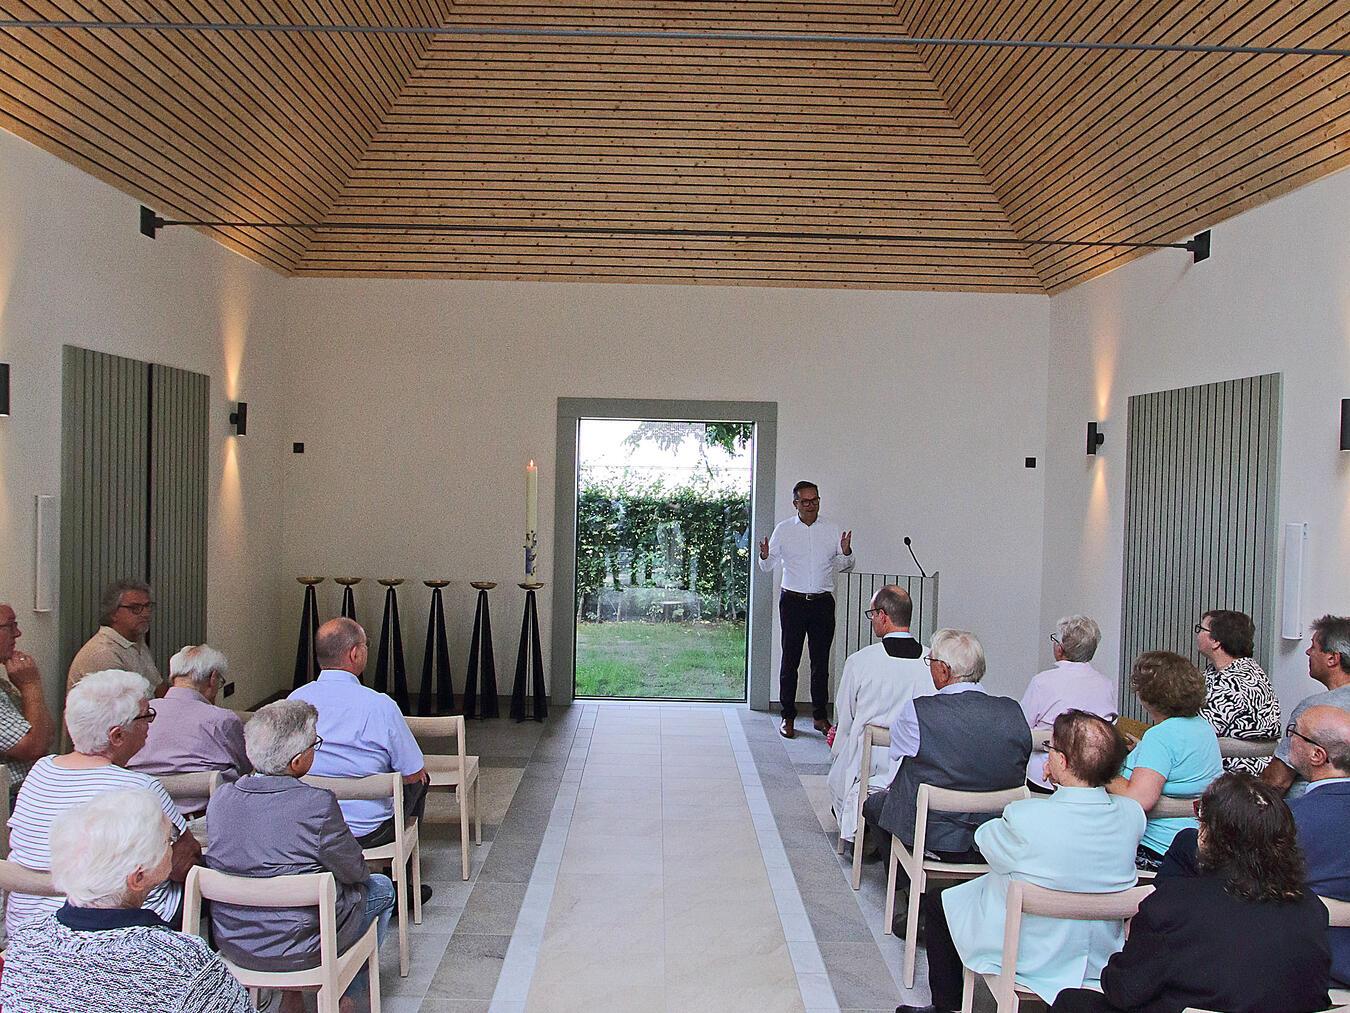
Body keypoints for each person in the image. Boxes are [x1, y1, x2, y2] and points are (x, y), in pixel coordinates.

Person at [898, 711, 1144, 1013]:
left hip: (1032, 953)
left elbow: (986, 843)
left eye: (1051, 750)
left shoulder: (1027, 817)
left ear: (1063, 763)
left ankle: (945, 1007)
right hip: (1099, 956)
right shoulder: (1132, 816)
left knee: (941, 904)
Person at [1051, 773, 1331, 1013]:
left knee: (1071, 1002)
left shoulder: (1172, 906)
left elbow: (1123, 990)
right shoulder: (1310, 908)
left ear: (1210, 835)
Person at [207, 700, 395, 1013]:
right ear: (297, 762)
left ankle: (292, 999)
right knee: (381, 889)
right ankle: (343, 993)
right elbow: (356, 870)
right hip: (304, 947)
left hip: (236, 943)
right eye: (314, 745)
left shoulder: (221, 798)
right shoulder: (316, 804)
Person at [0, 789, 250, 1012]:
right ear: (138, 877)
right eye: (168, 840)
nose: (173, 845)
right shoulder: (181, 960)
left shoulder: (25, 942)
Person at [6, 670, 198, 935]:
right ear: (117, 736)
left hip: (28, 928)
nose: (151, 724)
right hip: (118, 931)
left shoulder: (40, 771)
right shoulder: (141, 788)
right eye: (146, 716)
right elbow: (182, 862)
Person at [862, 629, 1031, 928]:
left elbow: (899, 762)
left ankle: (915, 897)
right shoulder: (1012, 711)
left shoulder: (919, 711)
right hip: (995, 831)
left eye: (931, 662)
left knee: (876, 805)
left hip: (934, 831)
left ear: (943, 670)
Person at [289, 618, 431, 900]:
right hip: (369, 830)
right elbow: (413, 772)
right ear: (355, 653)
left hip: (309, 826)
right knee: (421, 780)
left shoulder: (295, 701)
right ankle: (398, 882)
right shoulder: (378, 705)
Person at [827, 586, 932, 848]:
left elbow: (846, 716)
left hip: (867, 760)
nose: (872, 619)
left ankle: (861, 829)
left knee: (839, 775)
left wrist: (838, 746)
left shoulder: (861, 661)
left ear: (883, 616)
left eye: (872, 613)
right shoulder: (933, 661)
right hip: (914, 763)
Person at [1106, 651, 1221, 870]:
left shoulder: (1160, 736)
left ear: (1147, 696)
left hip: (1157, 851)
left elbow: (1139, 799)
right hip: (1197, 844)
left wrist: (1100, 771)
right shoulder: (1203, 727)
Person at [758, 480, 854, 738]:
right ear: (795, 504)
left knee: (820, 663)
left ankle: (820, 716)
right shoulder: (785, 529)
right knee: (790, 661)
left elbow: (846, 564)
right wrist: (765, 556)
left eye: (815, 500)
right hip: (792, 602)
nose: (811, 505)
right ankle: (787, 717)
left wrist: (846, 551)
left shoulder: (831, 529)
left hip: (822, 602)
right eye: (805, 501)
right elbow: (767, 567)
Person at [127, 643, 250, 816]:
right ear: (213, 678)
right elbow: (244, 768)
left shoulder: (139, 715)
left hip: (142, 816)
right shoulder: (221, 720)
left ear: (173, 676)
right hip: (205, 818)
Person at [1285, 704, 1350, 989]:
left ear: (1317, 755)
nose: (1288, 739)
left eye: (1294, 732)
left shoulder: (1284, 821)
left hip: (1305, 969)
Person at [1020, 615, 1117, 793]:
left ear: (1060, 649)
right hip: (1091, 777)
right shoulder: (1106, 685)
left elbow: (1022, 728)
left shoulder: (1042, 682)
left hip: (1043, 778)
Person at [1264, 613, 1350, 799]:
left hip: (1304, 812)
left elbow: (1277, 782)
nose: (1308, 652)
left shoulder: (1314, 710)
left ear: (1332, 659)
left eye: (1313, 647)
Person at [1195, 609, 1281, 774]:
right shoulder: (1219, 671)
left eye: (1201, 629)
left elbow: (1198, 732)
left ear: (1215, 641)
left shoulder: (1237, 681)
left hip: (1236, 775)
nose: (1197, 634)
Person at [66, 579, 162, 694]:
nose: (146, 613)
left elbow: (158, 687)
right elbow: (125, 706)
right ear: (113, 613)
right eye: (135, 608)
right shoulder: (103, 653)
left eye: (148, 606)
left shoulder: (136, 640)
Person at [0, 601, 57, 794]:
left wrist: (31, 688)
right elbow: (34, 748)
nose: (18, 633)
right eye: (10, 626)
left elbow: (48, 733)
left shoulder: (3, 684)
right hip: (12, 796)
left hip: (29, 787)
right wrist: (31, 686)